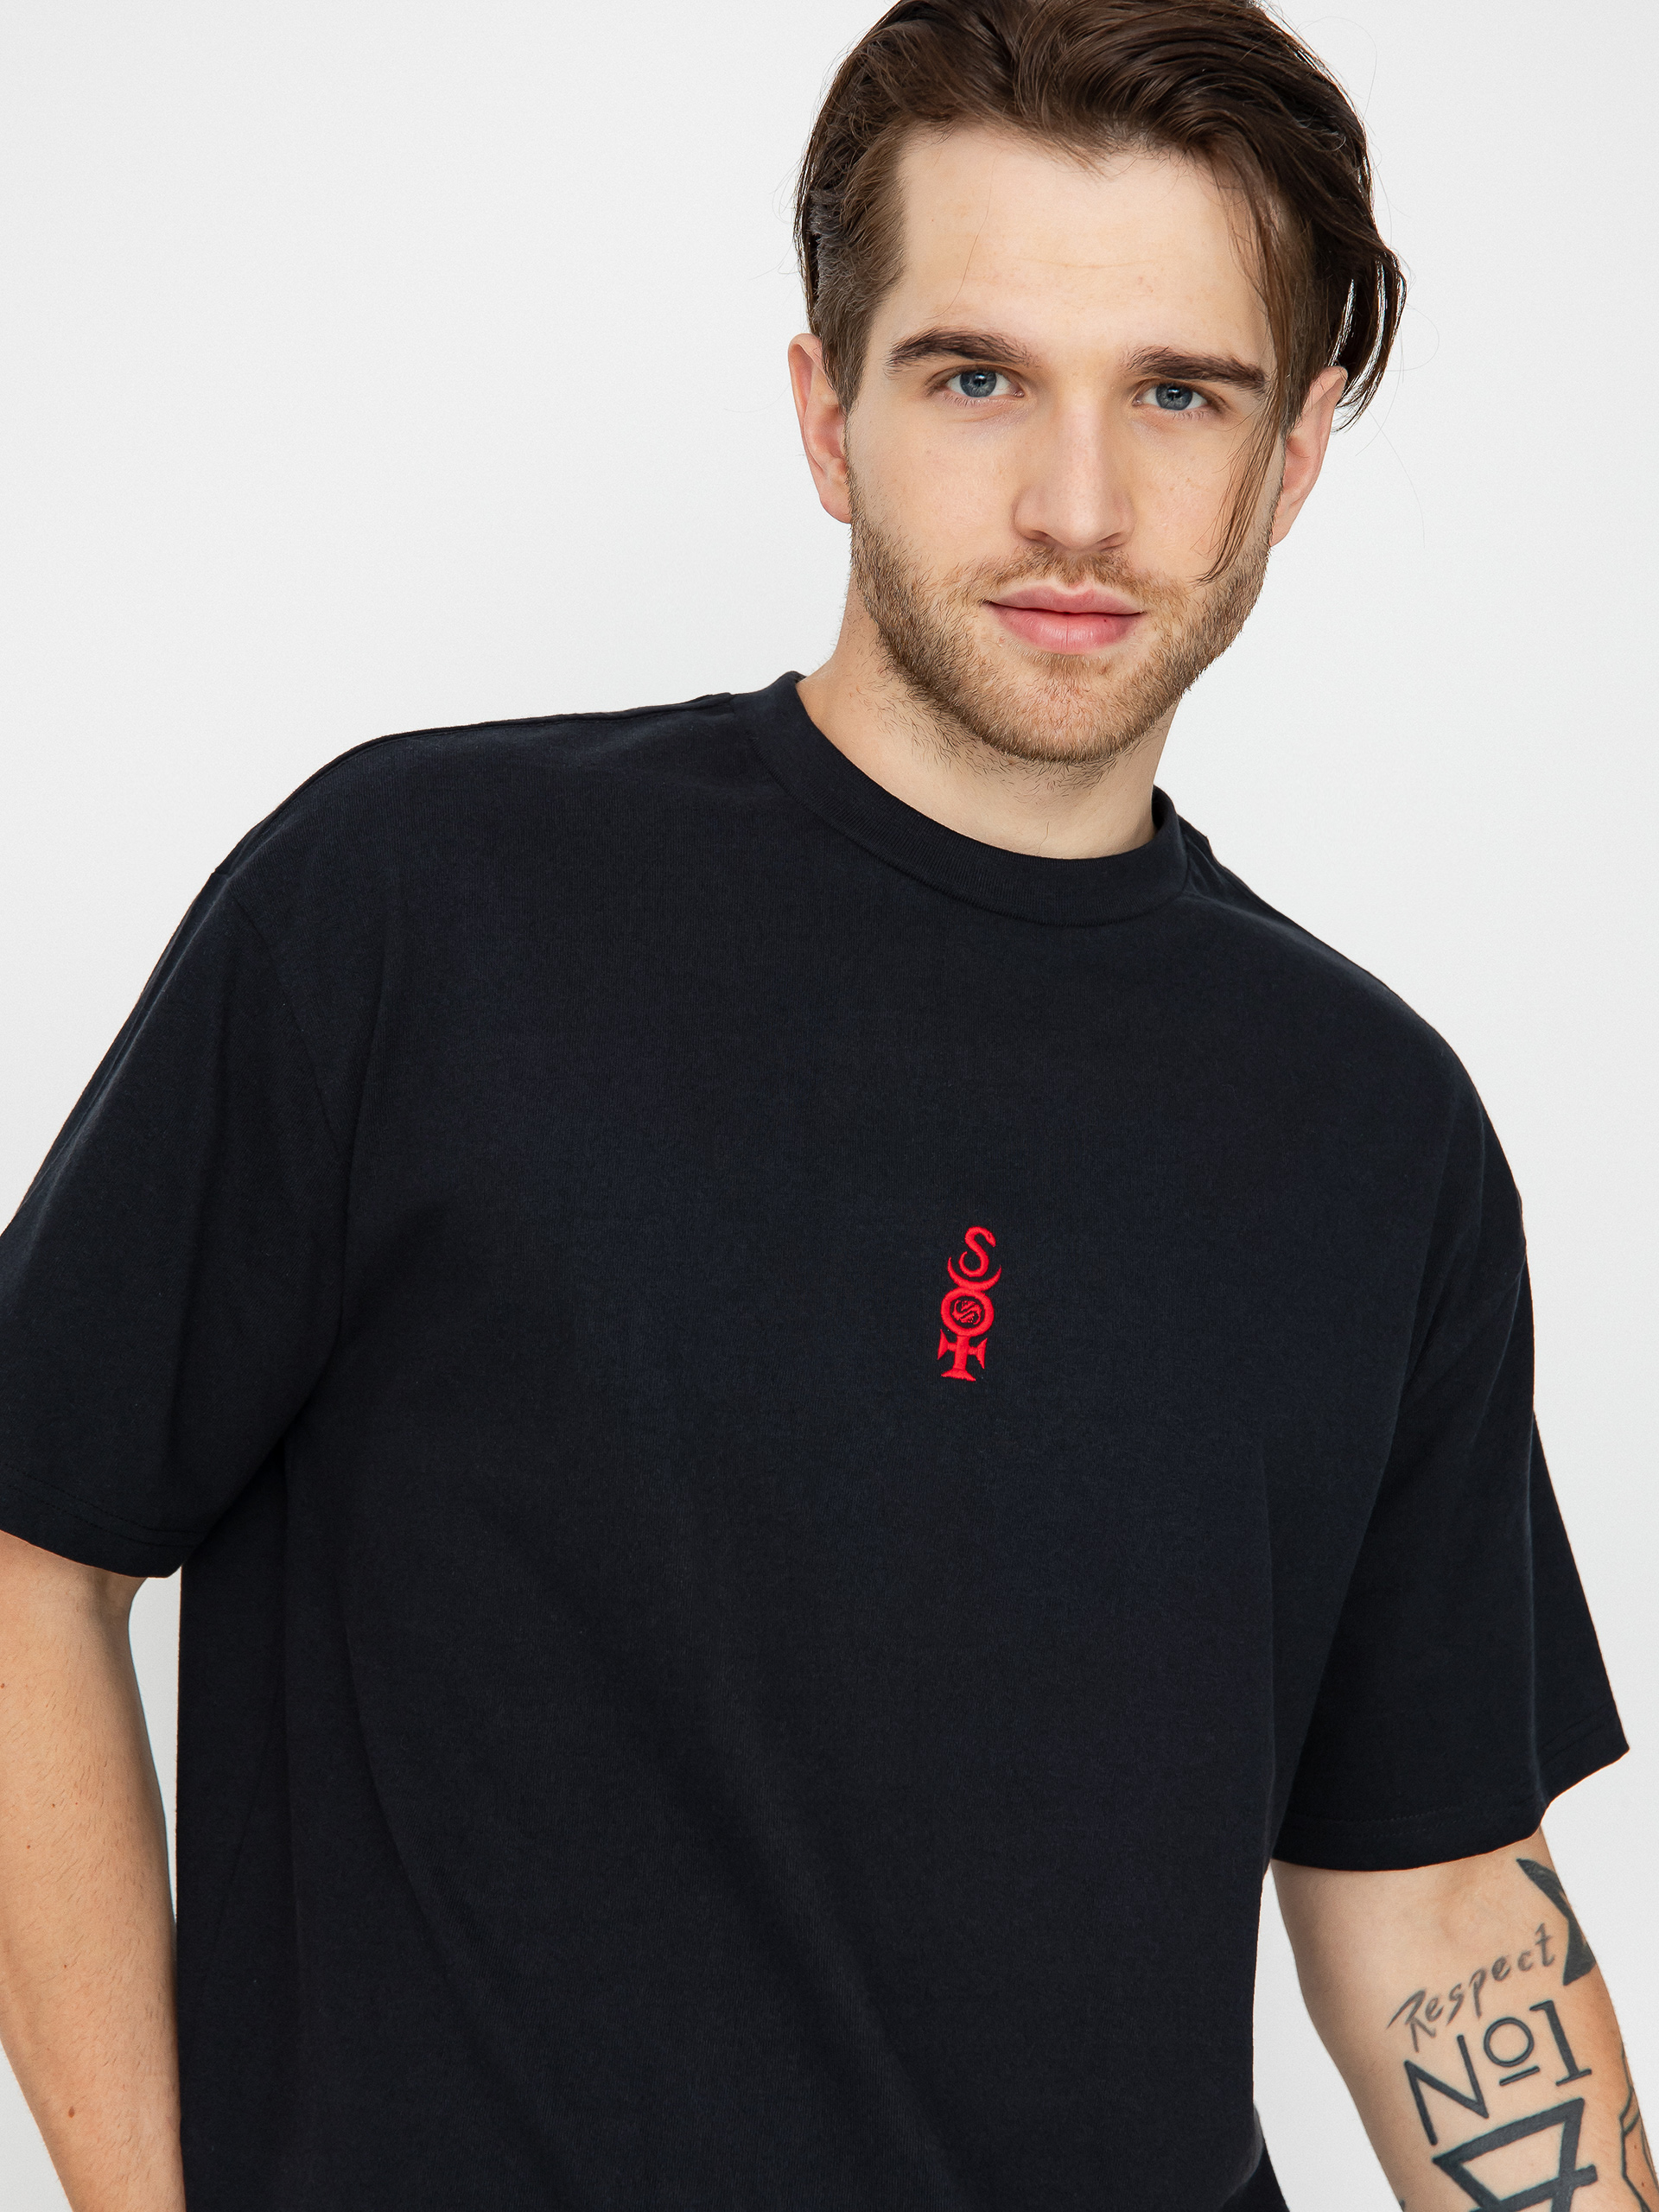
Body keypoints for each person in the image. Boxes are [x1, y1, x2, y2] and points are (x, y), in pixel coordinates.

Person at [0, 0, 1645, 2205]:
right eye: (977, 378)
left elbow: (1435, 1902)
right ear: (826, 412)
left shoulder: (1373, 1129)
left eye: (1180, 392)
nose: (1078, 505)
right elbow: (27, 1556)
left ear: (1294, 457)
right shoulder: (414, 907)